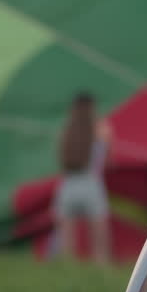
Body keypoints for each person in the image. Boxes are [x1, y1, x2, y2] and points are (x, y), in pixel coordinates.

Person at [51, 92, 112, 263]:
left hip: (67, 187)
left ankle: (68, 276)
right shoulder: (101, 131)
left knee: (66, 247)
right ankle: (101, 277)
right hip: (92, 186)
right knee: (100, 246)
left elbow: (61, 161)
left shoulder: (66, 133)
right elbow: (107, 161)